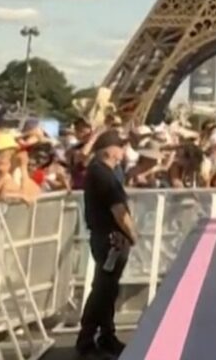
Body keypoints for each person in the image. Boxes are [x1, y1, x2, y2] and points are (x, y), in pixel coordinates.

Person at [78, 131, 133, 358]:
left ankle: (105, 335)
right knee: (103, 289)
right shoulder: (103, 175)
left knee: (107, 289)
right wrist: (133, 234)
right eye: (120, 147)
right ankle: (88, 339)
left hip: (108, 238)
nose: (122, 152)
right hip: (110, 238)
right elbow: (118, 210)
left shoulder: (102, 173)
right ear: (109, 149)